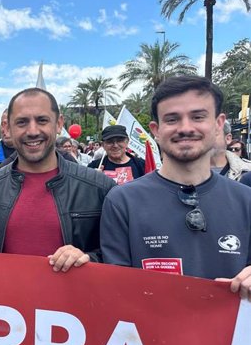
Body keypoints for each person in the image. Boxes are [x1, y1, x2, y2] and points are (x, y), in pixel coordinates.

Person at [0, 88, 115, 271]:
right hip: (3, 300)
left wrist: (88, 259)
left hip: (74, 300)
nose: (32, 131)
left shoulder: (99, 188)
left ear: (58, 124)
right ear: (8, 128)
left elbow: (120, 256)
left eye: (42, 120)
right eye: (22, 122)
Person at [101, 75, 251, 299]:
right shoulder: (122, 202)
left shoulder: (246, 201)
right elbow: (115, 292)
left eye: (198, 116)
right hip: (147, 333)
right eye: (172, 119)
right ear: (156, 129)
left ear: (218, 124)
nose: (185, 128)